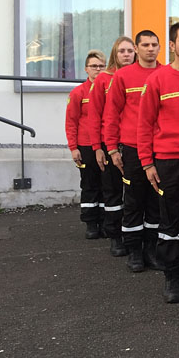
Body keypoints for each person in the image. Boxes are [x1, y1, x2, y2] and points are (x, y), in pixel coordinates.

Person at [137, 20, 179, 303]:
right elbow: (144, 123)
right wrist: (147, 163)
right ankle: (172, 278)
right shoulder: (158, 79)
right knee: (169, 222)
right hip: (168, 161)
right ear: (173, 45)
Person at [104, 30, 163, 272]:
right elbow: (111, 114)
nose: (150, 49)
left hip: (160, 148)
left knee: (156, 202)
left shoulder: (166, 73)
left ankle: (151, 249)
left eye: (154, 45)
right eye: (145, 45)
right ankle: (134, 251)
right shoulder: (123, 76)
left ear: (160, 48)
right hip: (131, 148)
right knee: (134, 200)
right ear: (136, 49)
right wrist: (111, 148)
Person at [90, 36, 136, 257]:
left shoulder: (139, 76)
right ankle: (115, 236)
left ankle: (133, 236)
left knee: (135, 195)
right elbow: (95, 115)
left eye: (129, 50)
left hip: (133, 143)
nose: (126, 54)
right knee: (113, 192)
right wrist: (98, 147)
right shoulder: (103, 80)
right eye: (122, 51)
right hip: (110, 144)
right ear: (114, 54)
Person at [66, 50, 107, 240]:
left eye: (101, 66)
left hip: (105, 144)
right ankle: (91, 223)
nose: (97, 69)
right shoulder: (78, 93)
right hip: (85, 146)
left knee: (107, 185)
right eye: (94, 66)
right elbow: (71, 121)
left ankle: (106, 222)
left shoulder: (109, 90)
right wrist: (73, 147)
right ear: (86, 69)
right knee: (90, 185)